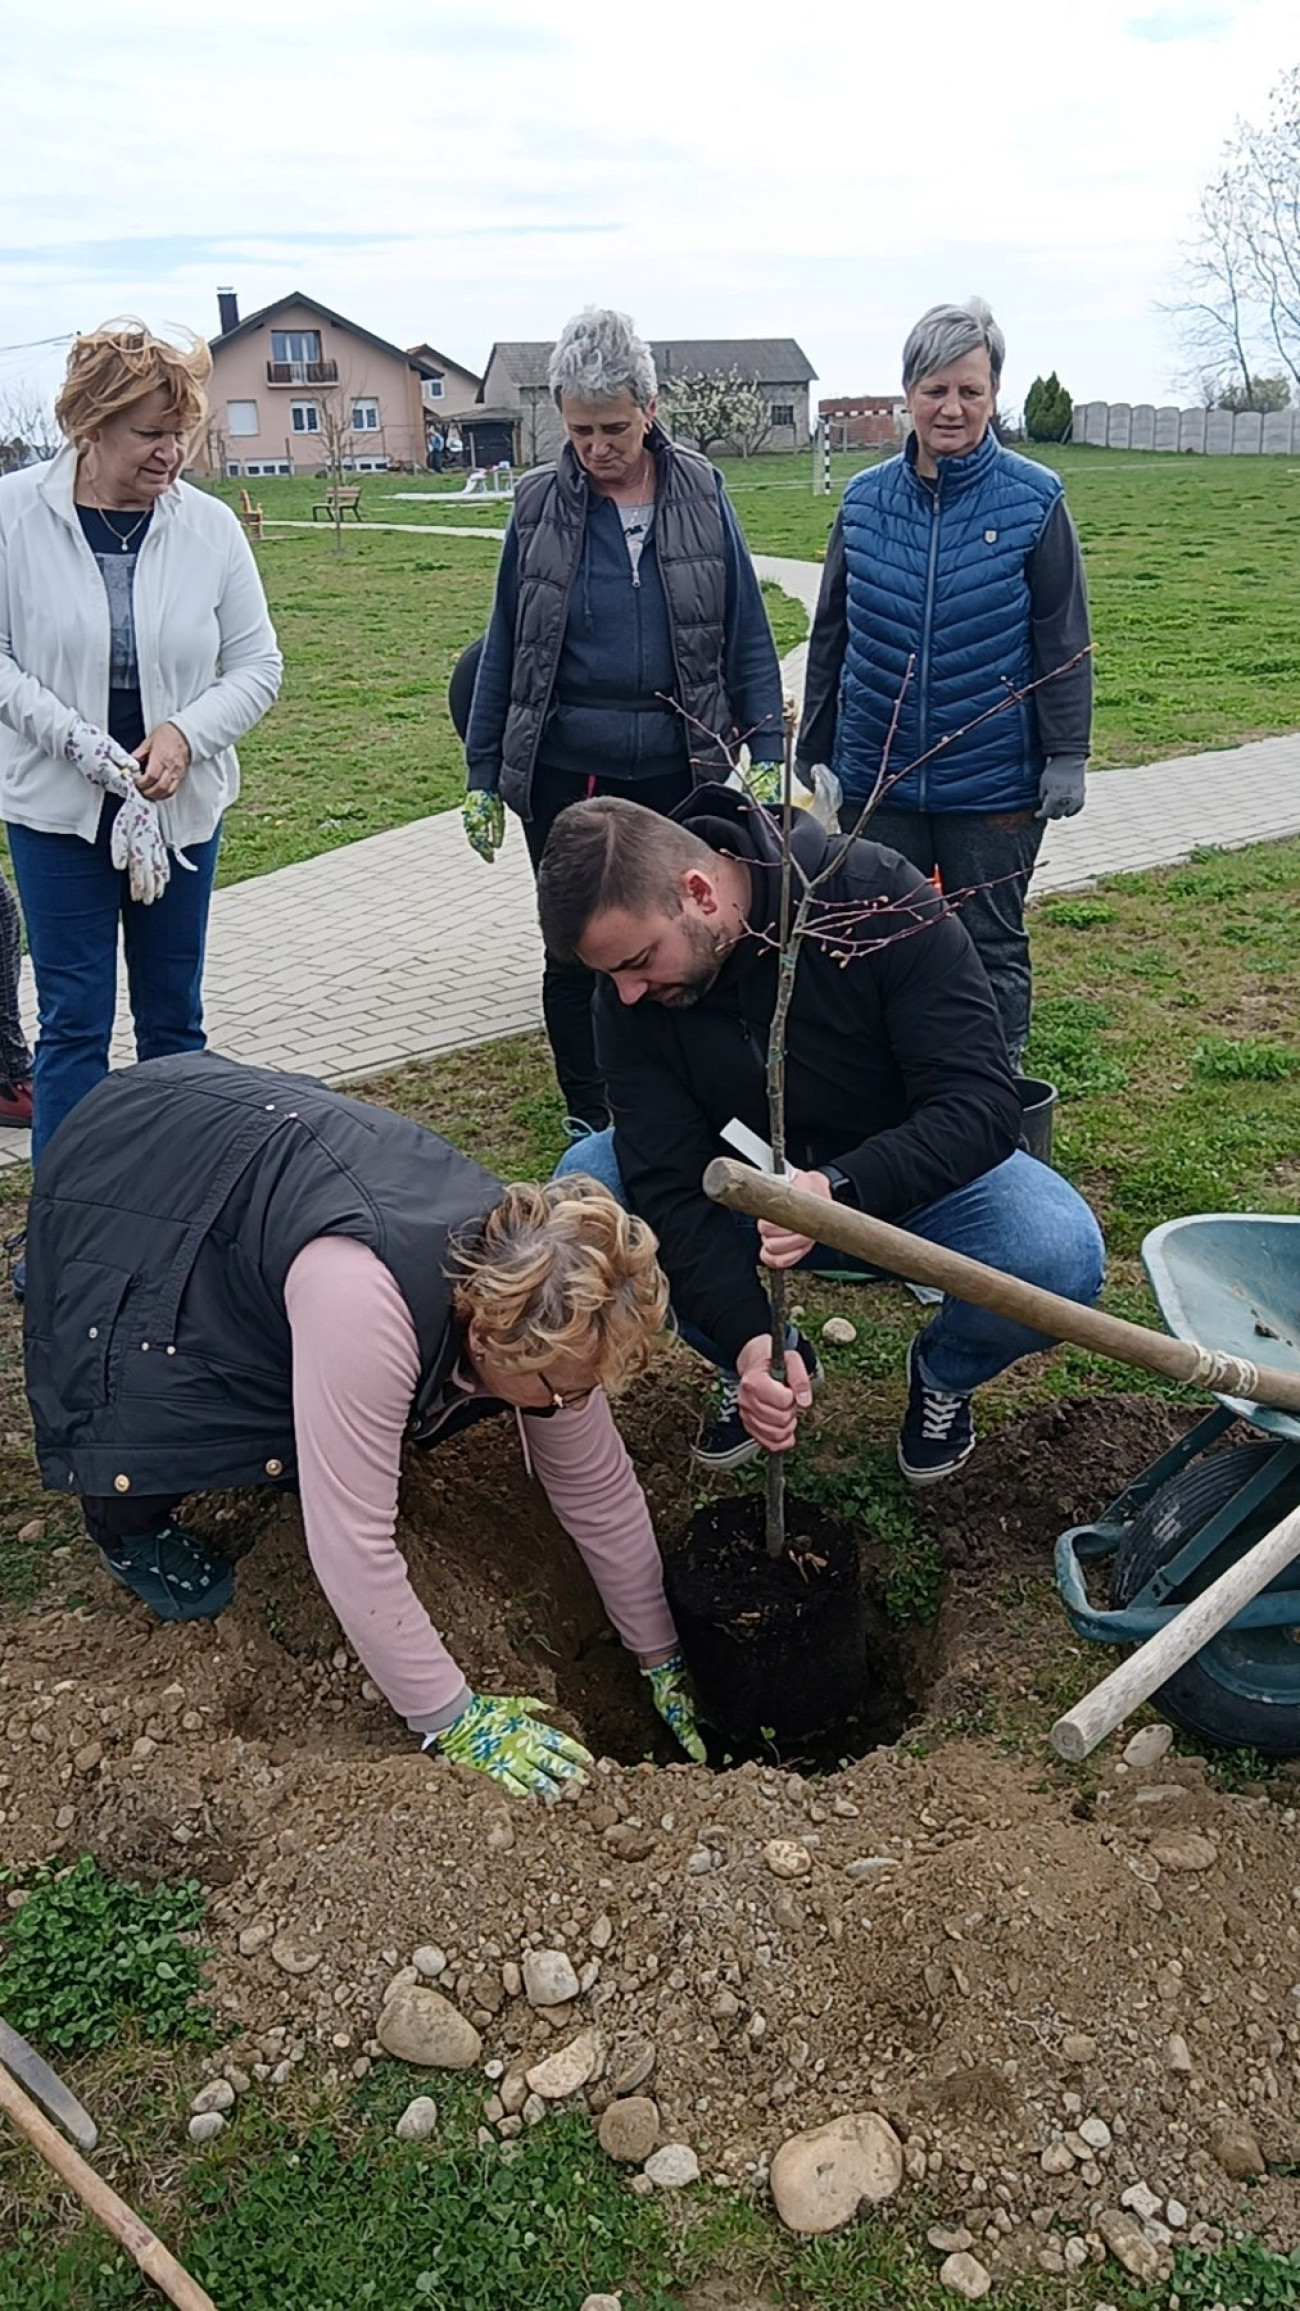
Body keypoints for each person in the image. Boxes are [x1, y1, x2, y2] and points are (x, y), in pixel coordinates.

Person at [22, 1051, 705, 1796]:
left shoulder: (543, 1296)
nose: (569, 1407)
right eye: (557, 1392)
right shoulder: (365, 1304)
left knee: (334, 1407)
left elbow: (596, 1489)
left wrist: (661, 1654)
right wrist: (453, 1717)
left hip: (264, 1168)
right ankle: (127, 1532)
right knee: (154, 1381)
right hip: (140, 1168)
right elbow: (351, 1542)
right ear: (485, 1338)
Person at [537, 788, 1105, 1479]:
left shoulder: (875, 901)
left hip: (905, 1181)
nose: (627, 993)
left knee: (1057, 1253)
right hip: (742, 1187)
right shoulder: (629, 999)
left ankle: (944, 1373)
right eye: (609, 975)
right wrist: (749, 1336)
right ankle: (765, 1360)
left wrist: (838, 1189)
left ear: (699, 893)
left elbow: (979, 1104)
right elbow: (666, 1179)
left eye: (637, 962)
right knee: (592, 1193)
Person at [460, 306, 784, 1131]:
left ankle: (686, 1098)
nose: (597, 448)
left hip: (680, 761)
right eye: (580, 431)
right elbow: (506, 646)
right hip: (573, 769)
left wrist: (769, 746)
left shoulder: (702, 491)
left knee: (682, 937)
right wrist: (483, 773)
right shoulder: (537, 506)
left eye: (613, 428)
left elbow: (746, 628)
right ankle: (592, 1109)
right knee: (578, 947)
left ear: (649, 409)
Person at [0, 321, 283, 1172]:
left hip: (177, 812)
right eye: (150, 433)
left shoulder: (209, 528)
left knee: (173, 1022)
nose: (172, 453)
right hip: (57, 810)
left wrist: (187, 735)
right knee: (74, 1023)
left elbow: (258, 665)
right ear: (90, 425)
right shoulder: (14, 515)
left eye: (181, 432)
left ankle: (174, 1215)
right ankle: (67, 1220)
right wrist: (74, 740)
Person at [797, 298, 1092, 1069]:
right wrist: (814, 745)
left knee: (990, 942)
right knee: (876, 936)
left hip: (993, 784)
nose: (951, 408)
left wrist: (1067, 753)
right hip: (880, 777)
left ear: (995, 394)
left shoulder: (1035, 500)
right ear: (908, 393)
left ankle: (995, 1084)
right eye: (935, 390)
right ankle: (888, 1085)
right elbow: (831, 633)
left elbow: (1061, 637)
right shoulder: (863, 503)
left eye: (970, 390)